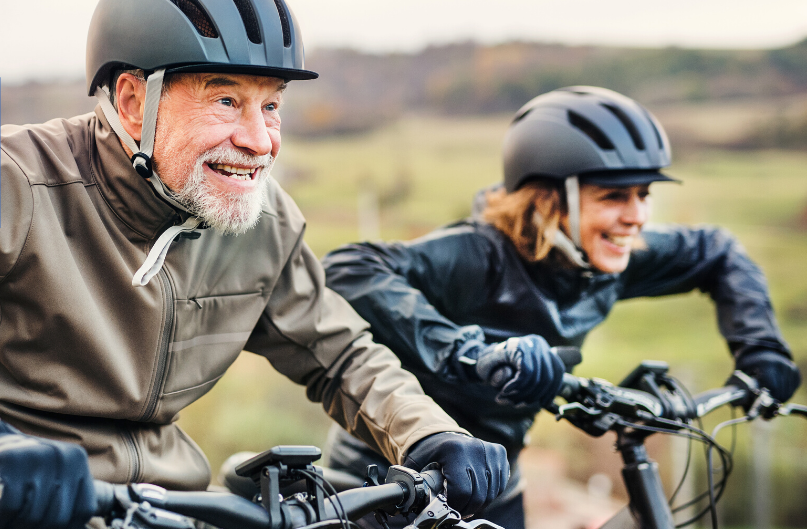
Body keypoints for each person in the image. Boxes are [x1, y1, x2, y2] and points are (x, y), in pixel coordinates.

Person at [0, 1, 510, 527]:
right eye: (226, 100)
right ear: (133, 101)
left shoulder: (261, 220)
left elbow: (339, 354)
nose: (261, 142)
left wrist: (428, 431)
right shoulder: (17, 184)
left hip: (174, 506)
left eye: (270, 106)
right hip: (29, 501)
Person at [321, 86, 802, 529]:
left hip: (494, 480)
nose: (636, 216)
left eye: (644, 194)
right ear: (549, 199)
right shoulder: (478, 256)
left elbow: (717, 251)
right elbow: (346, 267)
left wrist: (761, 349)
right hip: (392, 483)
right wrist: (471, 352)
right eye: (614, 196)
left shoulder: (609, 257)